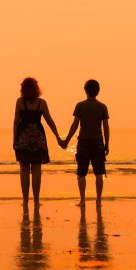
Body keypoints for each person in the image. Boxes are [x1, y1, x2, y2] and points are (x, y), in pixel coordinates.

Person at [13, 77, 63, 208]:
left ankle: (25, 201)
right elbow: (50, 121)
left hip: (23, 137)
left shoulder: (20, 102)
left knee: (24, 169)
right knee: (36, 169)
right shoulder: (42, 103)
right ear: (36, 88)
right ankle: (36, 201)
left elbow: (16, 122)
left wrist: (14, 139)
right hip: (38, 138)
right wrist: (58, 137)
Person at [59, 79, 110, 207]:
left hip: (83, 142)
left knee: (81, 173)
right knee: (99, 173)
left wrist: (66, 140)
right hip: (98, 142)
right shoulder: (102, 107)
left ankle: (82, 200)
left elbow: (74, 125)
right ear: (98, 91)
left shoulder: (80, 105)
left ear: (85, 90)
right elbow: (106, 127)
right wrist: (107, 144)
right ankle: (98, 200)